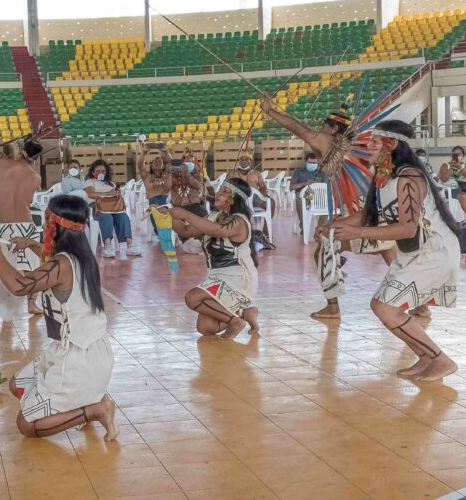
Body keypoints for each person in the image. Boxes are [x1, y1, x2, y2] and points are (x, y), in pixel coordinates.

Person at [332, 120, 461, 381]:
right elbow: (369, 214)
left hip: (433, 253)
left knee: (386, 309)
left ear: (390, 144)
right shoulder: (386, 176)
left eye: (375, 142)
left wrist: (357, 233)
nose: (369, 146)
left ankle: (441, 361)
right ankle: (426, 357)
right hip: (415, 253)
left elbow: (407, 229)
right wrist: (333, 226)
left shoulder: (409, 178)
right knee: (380, 306)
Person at [0, 195, 118, 441]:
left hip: (80, 359)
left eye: (46, 219)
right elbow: (51, 264)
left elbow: (20, 286)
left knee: (27, 425)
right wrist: (31, 244)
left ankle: (95, 410)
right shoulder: (79, 256)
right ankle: (92, 398)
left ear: (55, 226)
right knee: (17, 385)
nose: (44, 224)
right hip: (84, 352)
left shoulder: (61, 264)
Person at [262, 97, 396, 319]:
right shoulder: (355, 147)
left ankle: (333, 307)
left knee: (324, 250)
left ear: (334, 130)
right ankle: (420, 305)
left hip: (360, 209)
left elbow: (300, 130)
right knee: (389, 253)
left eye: (324, 126)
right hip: (376, 204)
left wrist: (271, 112)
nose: (319, 130)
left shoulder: (329, 143)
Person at [165, 178, 260, 339]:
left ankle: (235, 321)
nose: (218, 194)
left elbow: (217, 231)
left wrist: (186, 214)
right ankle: (245, 313)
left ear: (234, 198)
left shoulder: (238, 221)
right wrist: (166, 215)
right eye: (219, 190)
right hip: (218, 277)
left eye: (224, 191)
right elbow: (186, 231)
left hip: (238, 278)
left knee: (192, 297)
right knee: (206, 328)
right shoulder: (215, 216)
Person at [0, 138, 44, 319]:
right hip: (25, 225)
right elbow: (28, 200)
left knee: (4, 265)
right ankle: (32, 303)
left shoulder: (4, 164)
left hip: (3, 226)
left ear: (20, 151)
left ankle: (6, 306)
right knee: (31, 266)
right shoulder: (36, 177)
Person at [83, 160, 141, 259]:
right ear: (93, 172)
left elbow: (116, 196)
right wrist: (107, 194)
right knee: (107, 217)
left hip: (113, 207)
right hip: (97, 206)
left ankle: (130, 246)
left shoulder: (111, 183)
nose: (101, 173)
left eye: (103, 171)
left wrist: (117, 193)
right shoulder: (90, 181)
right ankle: (107, 247)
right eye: (98, 171)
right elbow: (91, 194)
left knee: (123, 216)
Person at [171, 154, 208, 254]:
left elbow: (199, 186)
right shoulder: (173, 176)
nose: (188, 164)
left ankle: (202, 239)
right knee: (177, 216)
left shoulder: (196, 175)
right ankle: (186, 240)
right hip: (179, 207)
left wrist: (187, 174)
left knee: (204, 216)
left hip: (194, 206)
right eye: (186, 162)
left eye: (190, 162)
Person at [439, 146, 466, 226]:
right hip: (452, 189)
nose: (457, 156)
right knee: (463, 196)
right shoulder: (445, 165)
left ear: (463, 156)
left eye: (459, 154)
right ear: (452, 155)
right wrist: (452, 168)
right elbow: (443, 179)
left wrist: (460, 168)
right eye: (455, 154)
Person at [289, 152, 328, 231]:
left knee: (327, 204)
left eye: (314, 163)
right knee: (300, 200)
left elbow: (327, 188)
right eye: (310, 162)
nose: (312, 164)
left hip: (317, 197)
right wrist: (304, 184)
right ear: (306, 162)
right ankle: (304, 226)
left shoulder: (321, 174)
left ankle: (320, 228)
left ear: (318, 163)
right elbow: (292, 187)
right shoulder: (298, 172)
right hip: (303, 196)